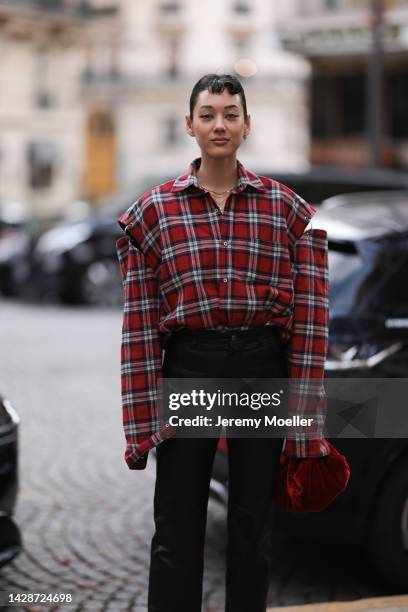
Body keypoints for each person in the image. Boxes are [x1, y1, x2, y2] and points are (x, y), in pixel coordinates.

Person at [116, 73, 330, 612]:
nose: (219, 124)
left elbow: (310, 325)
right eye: (208, 114)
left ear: (247, 125)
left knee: (253, 528)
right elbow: (140, 328)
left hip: (262, 364)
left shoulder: (287, 211)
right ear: (189, 125)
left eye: (230, 114)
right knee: (176, 529)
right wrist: (141, 426)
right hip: (191, 367)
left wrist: (307, 422)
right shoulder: (153, 214)